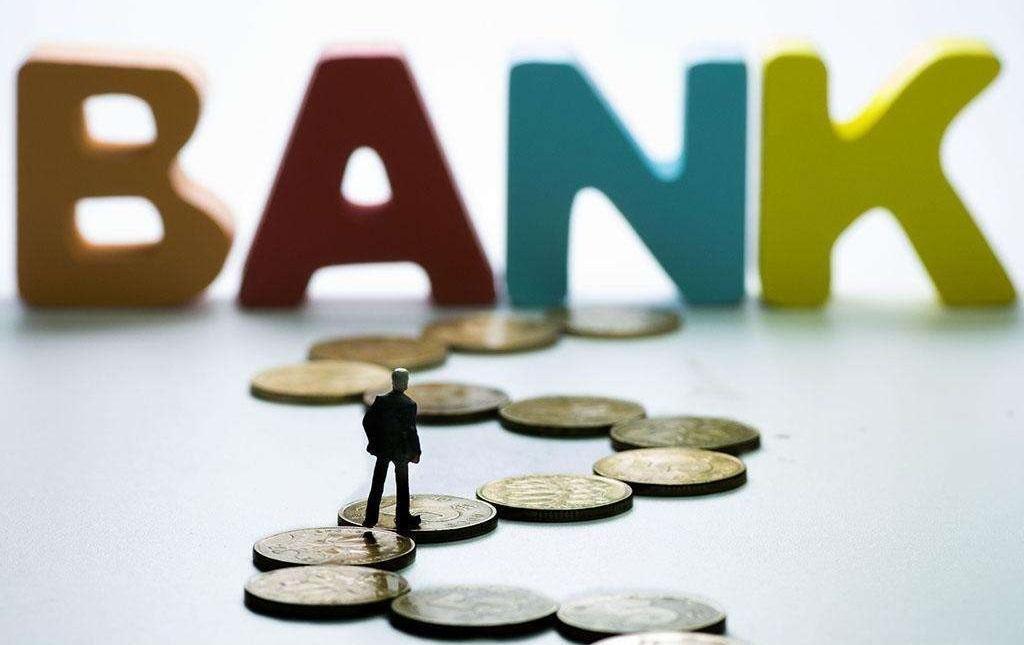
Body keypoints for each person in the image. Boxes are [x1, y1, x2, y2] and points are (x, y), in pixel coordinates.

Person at [361, 367, 421, 533]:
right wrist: (416, 451)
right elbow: (411, 431)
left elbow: (367, 422)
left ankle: (370, 518)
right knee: (402, 486)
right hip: (400, 452)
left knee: (377, 484)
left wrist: (375, 440)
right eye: (405, 380)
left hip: (383, 449)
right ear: (403, 383)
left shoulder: (381, 400)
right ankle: (402, 518)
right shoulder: (409, 404)